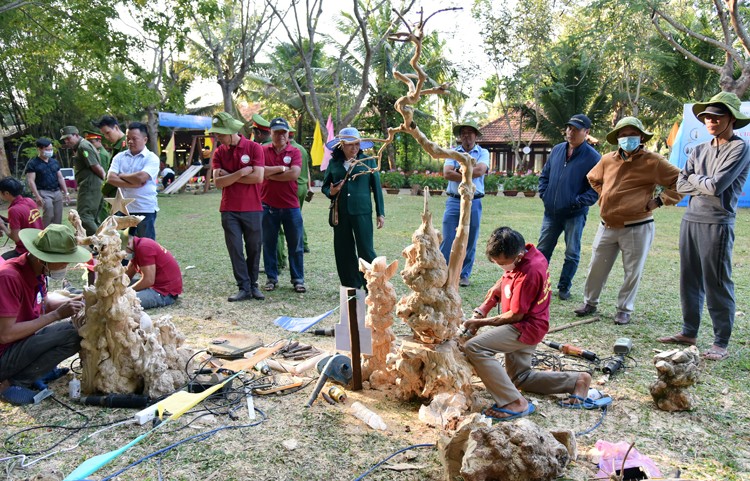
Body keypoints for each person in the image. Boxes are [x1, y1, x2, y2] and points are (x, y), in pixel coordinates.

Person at [462, 227, 592, 421]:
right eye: (497, 263)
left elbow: (514, 315)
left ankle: (515, 403)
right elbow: (504, 281)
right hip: (528, 323)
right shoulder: (528, 253)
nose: (501, 267)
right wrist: (483, 308)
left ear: (518, 255)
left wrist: (479, 323)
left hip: (525, 327)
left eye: (503, 263)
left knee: (475, 347)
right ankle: (577, 380)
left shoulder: (529, 271)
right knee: (519, 378)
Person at [658, 92, 750, 361]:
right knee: (689, 277)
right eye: (707, 116)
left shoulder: (740, 148)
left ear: (731, 118)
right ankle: (689, 331)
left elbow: (716, 186)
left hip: (717, 222)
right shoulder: (698, 149)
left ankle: (721, 341)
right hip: (691, 219)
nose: (710, 121)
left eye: (717, 116)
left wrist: (695, 180)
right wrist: (700, 182)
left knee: (717, 281)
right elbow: (681, 185)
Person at [574, 117, 682, 325]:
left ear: (641, 137)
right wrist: (604, 194)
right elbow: (593, 178)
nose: (627, 138)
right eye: (622, 135)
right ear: (617, 138)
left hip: (637, 225)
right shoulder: (608, 159)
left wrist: (660, 200)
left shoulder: (654, 161)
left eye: (631, 134)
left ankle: (624, 309)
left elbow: (680, 181)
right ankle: (590, 302)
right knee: (596, 266)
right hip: (607, 225)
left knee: (632, 270)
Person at [0, 224, 91, 405]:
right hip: (4, 353)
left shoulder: (37, 271)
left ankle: (28, 374)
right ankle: (12, 383)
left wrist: (76, 302)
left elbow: (44, 303)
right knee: (72, 334)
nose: (67, 265)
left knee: (77, 329)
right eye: (64, 260)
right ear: (43, 258)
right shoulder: (9, 277)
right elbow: (5, 334)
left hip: (19, 344)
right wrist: (56, 315)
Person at [537, 114, 600, 300]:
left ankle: (564, 287)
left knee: (571, 252)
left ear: (586, 132)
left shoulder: (593, 157)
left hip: (574, 214)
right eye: (569, 128)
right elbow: (545, 176)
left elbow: (595, 189)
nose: (570, 132)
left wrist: (576, 202)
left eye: (576, 129)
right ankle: (539, 285)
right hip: (551, 213)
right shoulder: (557, 150)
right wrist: (545, 194)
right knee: (542, 251)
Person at [209, 112, 266, 302]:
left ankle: (253, 285)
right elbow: (217, 183)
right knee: (235, 249)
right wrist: (241, 172)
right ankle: (243, 287)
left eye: (220, 133)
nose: (217, 137)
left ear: (232, 131)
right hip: (229, 209)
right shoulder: (219, 152)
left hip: (253, 208)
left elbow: (258, 177)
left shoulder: (254, 148)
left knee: (254, 248)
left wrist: (229, 176)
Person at [322, 127, 385, 289]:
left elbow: (376, 188)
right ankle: (351, 285)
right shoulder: (333, 163)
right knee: (343, 249)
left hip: (362, 212)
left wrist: (380, 213)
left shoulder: (368, 161)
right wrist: (332, 191)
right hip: (341, 213)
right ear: (341, 145)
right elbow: (324, 187)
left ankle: (373, 284)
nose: (354, 148)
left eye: (357, 144)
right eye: (350, 145)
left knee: (366, 249)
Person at [440, 120, 489, 287]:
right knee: (448, 237)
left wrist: (460, 171)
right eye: (463, 133)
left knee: (470, 238)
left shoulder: (483, 152)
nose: (466, 136)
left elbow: (480, 170)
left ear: (476, 135)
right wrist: (469, 172)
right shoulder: (452, 153)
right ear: (460, 137)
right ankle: (443, 271)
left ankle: (464, 274)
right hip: (454, 200)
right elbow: (447, 173)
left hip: (474, 201)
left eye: (469, 132)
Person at [261, 117, 306, 293]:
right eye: (276, 132)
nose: (280, 135)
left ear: (288, 134)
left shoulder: (295, 151)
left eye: (283, 132)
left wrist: (269, 174)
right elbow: (260, 171)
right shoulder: (263, 150)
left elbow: (294, 174)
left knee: (296, 245)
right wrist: (281, 169)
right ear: (270, 133)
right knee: (269, 244)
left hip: (290, 206)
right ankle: (271, 278)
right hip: (267, 205)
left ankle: (298, 279)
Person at [107, 122, 160, 240]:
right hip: (123, 209)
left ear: (145, 139)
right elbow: (110, 178)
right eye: (128, 138)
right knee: (121, 246)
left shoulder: (152, 158)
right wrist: (134, 183)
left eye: (134, 139)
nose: (130, 142)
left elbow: (142, 177)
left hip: (144, 209)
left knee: (145, 246)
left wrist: (121, 175)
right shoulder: (119, 157)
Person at [60, 126, 105, 236]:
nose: (66, 141)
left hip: (89, 185)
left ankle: (100, 244)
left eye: (68, 138)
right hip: (90, 184)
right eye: (64, 139)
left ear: (76, 135)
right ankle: (101, 245)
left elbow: (96, 166)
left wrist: (106, 182)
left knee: (84, 216)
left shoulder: (83, 147)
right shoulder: (81, 146)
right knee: (92, 217)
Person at [121, 231, 182, 310]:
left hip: (165, 293)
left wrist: (126, 291)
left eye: (121, 250)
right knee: (122, 288)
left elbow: (148, 280)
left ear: (128, 243)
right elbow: (126, 277)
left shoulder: (144, 247)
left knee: (122, 302)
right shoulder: (136, 247)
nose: (121, 255)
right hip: (155, 285)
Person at [24, 137, 70, 227]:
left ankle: (57, 233)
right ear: (39, 149)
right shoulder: (33, 164)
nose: (49, 151)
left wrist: (66, 192)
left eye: (51, 149)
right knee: (48, 213)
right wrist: (37, 196)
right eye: (47, 149)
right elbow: (31, 181)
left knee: (58, 215)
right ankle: (44, 231)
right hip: (43, 192)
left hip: (57, 191)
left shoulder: (54, 162)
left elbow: (60, 177)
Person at [0, 177, 44, 260]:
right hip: (39, 245)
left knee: (2, 261)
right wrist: (5, 220)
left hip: (26, 250)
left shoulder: (14, 210)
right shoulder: (29, 201)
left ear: (6, 193)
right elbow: (25, 220)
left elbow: (16, 238)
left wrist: (2, 226)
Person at [94, 115, 128, 218]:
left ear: (116, 128)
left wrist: (105, 189)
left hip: (122, 195)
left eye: (108, 133)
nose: (107, 137)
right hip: (116, 196)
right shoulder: (117, 146)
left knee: (123, 230)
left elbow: (118, 175)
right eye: (104, 135)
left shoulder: (125, 146)